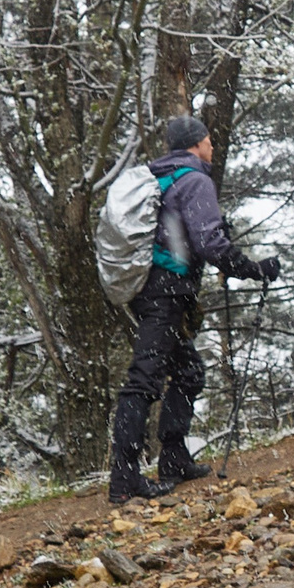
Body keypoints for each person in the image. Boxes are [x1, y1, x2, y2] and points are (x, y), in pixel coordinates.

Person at [107, 115, 278, 504]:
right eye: (209, 140)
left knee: (187, 372)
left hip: (149, 288)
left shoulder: (162, 177)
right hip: (165, 290)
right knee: (143, 380)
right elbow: (209, 244)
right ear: (196, 143)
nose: (212, 146)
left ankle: (173, 459)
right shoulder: (195, 180)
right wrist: (254, 269)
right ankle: (124, 480)